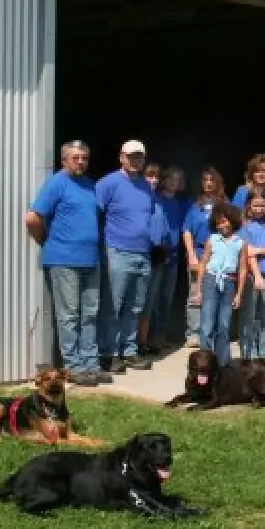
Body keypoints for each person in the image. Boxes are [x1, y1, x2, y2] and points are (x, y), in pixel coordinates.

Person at [24, 140, 112, 386]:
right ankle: (73, 367)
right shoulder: (57, 183)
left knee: (90, 314)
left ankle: (91, 365)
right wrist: (46, 241)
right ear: (64, 160)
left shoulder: (89, 185)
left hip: (91, 260)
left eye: (84, 158)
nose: (81, 162)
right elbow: (32, 218)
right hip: (64, 261)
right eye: (75, 158)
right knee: (69, 315)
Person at [96, 140, 162, 373]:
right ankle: (108, 353)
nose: (135, 161)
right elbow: (96, 214)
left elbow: (151, 216)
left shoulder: (145, 186)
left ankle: (129, 349)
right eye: (131, 156)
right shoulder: (108, 183)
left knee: (135, 306)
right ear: (121, 157)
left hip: (142, 253)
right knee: (114, 305)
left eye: (139, 157)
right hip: (117, 251)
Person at [193, 201, 248, 367]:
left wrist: (239, 294)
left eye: (224, 221)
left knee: (224, 324)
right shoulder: (212, 239)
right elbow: (203, 263)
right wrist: (198, 289)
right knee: (207, 324)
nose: (221, 225)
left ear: (232, 220)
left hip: (229, 282)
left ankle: (223, 363)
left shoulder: (240, 243)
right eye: (218, 223)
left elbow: (243, 269)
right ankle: (205, 361)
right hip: (211, 280)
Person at [140, 166, 187, 354]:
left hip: (174, 256)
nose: (174, 183)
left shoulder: (181, 203)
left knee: (166, 299)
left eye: (178, 180)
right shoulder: (155, 200)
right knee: (151, 299)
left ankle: (161, 337)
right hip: (158, 255)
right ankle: (148, 338)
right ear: (164, 180)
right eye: (171, 178)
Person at [183, 166, 226, 346]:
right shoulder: (195, 205)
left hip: (220, 254)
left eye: (212, 180)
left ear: (217, 182)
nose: (208, 183)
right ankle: (193, 333)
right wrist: (191, 255)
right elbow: (187, 231)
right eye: (205, 180)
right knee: (196, 293)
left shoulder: (225, 203)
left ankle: (213, 331)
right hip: (199, 253)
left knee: (218, 293)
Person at [239, 192, 265, 369]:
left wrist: (258, 250)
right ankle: (249, 354)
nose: (259, 209)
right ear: (249, 205)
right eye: (255, 205)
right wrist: (257, 275)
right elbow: (248, 254)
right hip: (251, 275)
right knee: (249, 316)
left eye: (262, 205)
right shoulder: (245, 227)